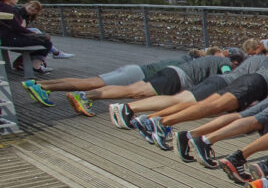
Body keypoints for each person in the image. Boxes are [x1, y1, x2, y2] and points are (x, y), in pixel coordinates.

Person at [119, 42, 268, 135]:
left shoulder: (253, 59)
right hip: (222, 84)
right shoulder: (265, 62)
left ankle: (146, 117)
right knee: (185, 104)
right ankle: (144, 116)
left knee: (181, 101)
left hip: (217, 81)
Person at [26, 48, 218, 116]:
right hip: (138, 73)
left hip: (134, 69)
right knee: (92, 84)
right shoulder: (198, 63)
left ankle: (42, 85)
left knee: (90, 81)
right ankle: (50, 88)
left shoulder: (187, 58)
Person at [106, 50, 240, 128]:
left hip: (172, 71)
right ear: (235, 62)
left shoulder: (210, 57)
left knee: (132, 90)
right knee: (169, 99)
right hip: (179, 77)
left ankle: (121, 108)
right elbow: (226, 73)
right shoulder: (225, 62)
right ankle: (128, 108)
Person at [1, 0, 52, 80]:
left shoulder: (4, 8)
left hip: (4, 38)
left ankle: (24, 63)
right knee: (46, 42)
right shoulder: (8, 9)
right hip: (10, 39)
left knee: (41, 39)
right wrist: (34, 34)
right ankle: (35, 66)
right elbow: (17, 28)